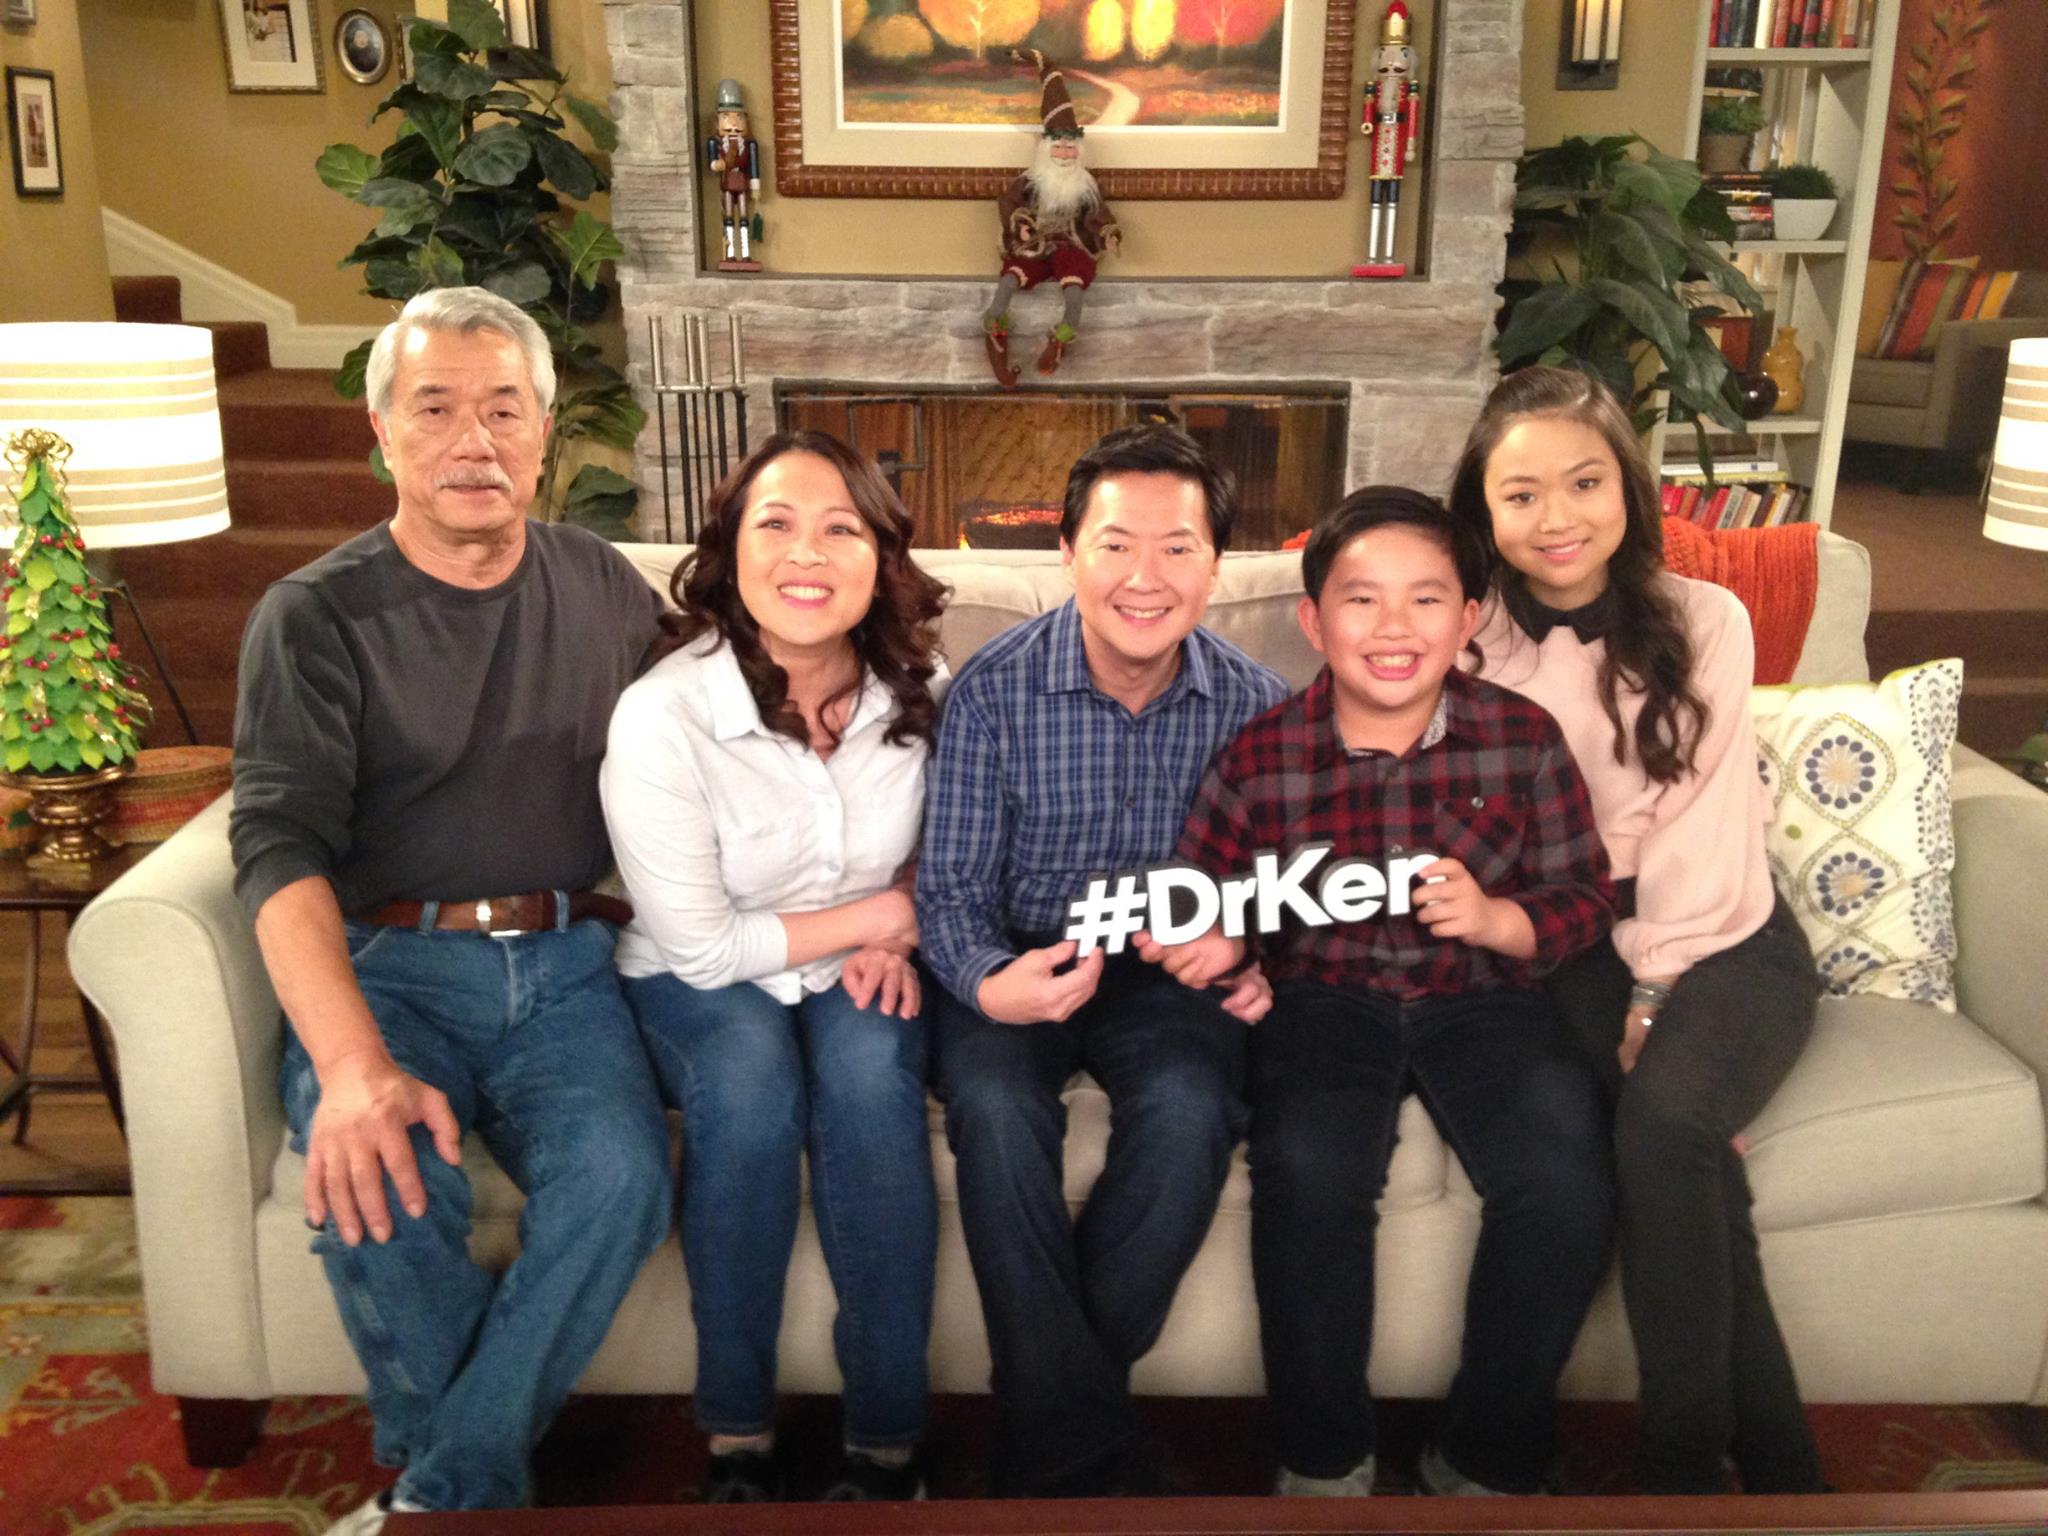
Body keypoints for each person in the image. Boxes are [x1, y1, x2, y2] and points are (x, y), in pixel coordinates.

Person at [229, 287, 673, 1534]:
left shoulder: (603, 587)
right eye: (435, 409)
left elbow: (718, 730)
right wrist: (349, 1066)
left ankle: (437, 1492)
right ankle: (468, 1489)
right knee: (379, 1179)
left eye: (504, 410)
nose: (474, 440)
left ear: (544, 435)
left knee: (621, 1180)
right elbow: (275, 847)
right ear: (382, 432)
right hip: (389, 966)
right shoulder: (312, 617)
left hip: (567, 967)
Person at [1162, 486, 1618, 1498]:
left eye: (1425, 598)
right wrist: (1223, 947)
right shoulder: (1260, 754)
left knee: (1564, 1181)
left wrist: (1498, 920)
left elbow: (1583, 893)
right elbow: (1207, 899)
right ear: (1313, 621)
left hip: (1484, 995)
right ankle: (1323, 1457)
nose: (1393, 627)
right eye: (1361, 600)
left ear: (1468, 618)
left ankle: (1485, 1451)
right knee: (1308, 1172)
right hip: (1325, 997)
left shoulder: (1522, 737)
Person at [1448, 364, 1825, 1494]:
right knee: (1686, 1161)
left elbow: (1702, 827)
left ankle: (1678, 1470)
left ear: (1627, 488)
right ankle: (1782, 1476)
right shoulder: (1466, 640)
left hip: (1724, 929)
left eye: (1584, 482)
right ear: (1483, 510)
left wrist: (1656, 992)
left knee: (1662, 1129)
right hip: (1572, 938)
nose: (1555, 518)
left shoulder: (1708, 619)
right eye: (1520, 494)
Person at [917, 424, 1287, 1497]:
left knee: (1192, 1107)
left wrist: (1244, 941)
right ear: (1069, 553)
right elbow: (949, 889)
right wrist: (987, 981)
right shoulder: (991, 691)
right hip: (1016, 950)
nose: (1144, 577)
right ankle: (1080, 1445)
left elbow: (1287, 880)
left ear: (1215, 566)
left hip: (1160, 976)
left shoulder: (1257, 706)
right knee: (994, 1111)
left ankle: (1046, 1437)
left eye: (1178, 548)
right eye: (1116, 545)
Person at [602, 432, 949, 1503]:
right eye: (777, 524)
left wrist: (907, 922)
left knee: (871, 1086)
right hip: (698, 976)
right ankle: (736, 1434)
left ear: (880, 557)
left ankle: (885, 1445)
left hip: (866, 963)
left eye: (841, 527)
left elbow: (965, 842)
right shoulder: (664, 715)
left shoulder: (922, 688)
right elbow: (704, 946)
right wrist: (884, 911)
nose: (808, 553)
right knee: (748, 1092)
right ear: (730, 548)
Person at [981, 49, 1121, 387]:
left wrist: (1108, 234)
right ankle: (995, 332)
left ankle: (1061, 338)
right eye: (1058, 147)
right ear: (1046, 149)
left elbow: (1098, 214)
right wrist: (1021, 225)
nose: (1064, 153)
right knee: (1008, 281)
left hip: (1071, 246)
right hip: (1035, 244)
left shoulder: (1085, 185)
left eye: (1070, 148)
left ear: (1078, 151)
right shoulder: (1030, 181)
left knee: (1074, 292)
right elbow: (1010, 203)